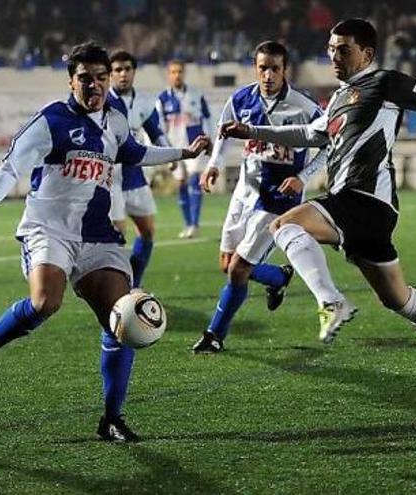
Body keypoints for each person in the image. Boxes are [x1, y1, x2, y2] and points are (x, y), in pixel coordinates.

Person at [219, 19, 416, 402]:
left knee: (285, 225)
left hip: (363, 199)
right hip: (366, 210)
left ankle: (330, 301)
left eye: (344, 49)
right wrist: (252, 131)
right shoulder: (338, 98)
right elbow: (309, 135)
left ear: (367, 54)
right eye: (331, 49)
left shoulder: (385, 82)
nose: (335, 56)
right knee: (399, 299)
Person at [0, 42, 210, 442]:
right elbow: (11, 164)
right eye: (85, 78)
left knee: (121, 320)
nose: (95, 86)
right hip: (49, 228)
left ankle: (112, 419)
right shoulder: (50, 121)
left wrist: (183, 152)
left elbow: (134, 152)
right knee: (45, 303)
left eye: (101, 78)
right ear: (71, 81)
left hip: (97, 234)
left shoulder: (115, 121)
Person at [191, 40, 326, 353]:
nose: (268, 75)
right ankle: (278, 278)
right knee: (227, 263)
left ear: (285, 70)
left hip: (277, 201)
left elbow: (329, 147)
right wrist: (212, 165)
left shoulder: (304, 108)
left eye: (274, 69)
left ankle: (214, 335)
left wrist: (302, 177)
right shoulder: (241, 98)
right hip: (244, 193)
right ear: (255, 68)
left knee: (238, 269)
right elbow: (223, 134)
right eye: (262, 68)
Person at [106, 50, 171, 289]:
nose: (123, 74)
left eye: (127, 69)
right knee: (117, 236)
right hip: (109, 179)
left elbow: (156, 132)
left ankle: (135, 283)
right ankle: (117, 287)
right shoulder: (102, 102)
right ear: (111, 74)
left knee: (147, 231)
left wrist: (170, 153)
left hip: (135, 176)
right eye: (117, 70)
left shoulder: (145, 102)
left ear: (134, 72)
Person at [156, 60, 213, 239]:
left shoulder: (196, 95)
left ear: (184, 73)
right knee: (181, 184)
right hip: (175, 147)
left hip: (195, 144)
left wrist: (209, 140)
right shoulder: (162, 99)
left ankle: (195, 224)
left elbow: (208, 118)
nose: (177, 75)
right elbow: (159, 127)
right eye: (173, 72)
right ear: (168, 74)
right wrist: (163, 151)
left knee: (195, 178)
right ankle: (188, 223)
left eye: (180, 71)